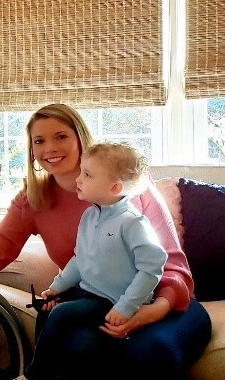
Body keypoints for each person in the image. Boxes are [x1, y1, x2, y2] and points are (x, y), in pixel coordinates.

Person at [0, 104, 211, 379]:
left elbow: (171, 267)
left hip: (166, 306)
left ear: (80, 139)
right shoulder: (33, 200)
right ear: (31, 150)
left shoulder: (126, 189)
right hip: (100, 304)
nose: (50, 148)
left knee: (151, 352)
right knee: (78, 349)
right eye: (39, 141)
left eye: (61, 136)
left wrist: (150, 312)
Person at [25, 142, 166, 379]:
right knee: (46, 310)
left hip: (111, 300)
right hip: (89, 292)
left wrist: (125, 307)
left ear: (114, 187)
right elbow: (80, 259)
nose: (78, 180)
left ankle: (35, 374)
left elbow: (152, 269)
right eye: (81, 171)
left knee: (61, 315)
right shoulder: (89, 216)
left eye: (87, 175)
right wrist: (57, 287)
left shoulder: (132, 222)